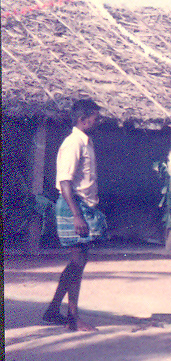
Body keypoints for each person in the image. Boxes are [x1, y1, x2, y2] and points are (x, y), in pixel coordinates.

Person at [43, 98, 107, 332]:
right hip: (74, 207)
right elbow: (65, 182)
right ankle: (73, 318)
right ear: (82, 119)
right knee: (78, 262)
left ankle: (53, 310)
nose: (98, 121)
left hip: (82, 206)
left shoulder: (85, 142)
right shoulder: (73, 144)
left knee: (76, 262)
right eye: (95, 118)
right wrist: (77, 215)